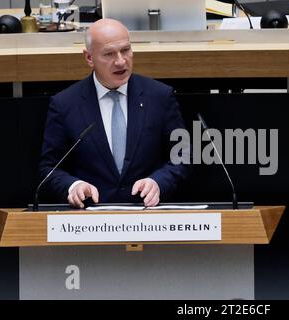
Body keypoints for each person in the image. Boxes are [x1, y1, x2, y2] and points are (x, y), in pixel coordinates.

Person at [39, 19, 191, 208]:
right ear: (89, 58)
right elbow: (50, 167)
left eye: (125, 50)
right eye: (109, 54)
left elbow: (183, 155)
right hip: (91, 223)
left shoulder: (159, 96)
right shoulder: (65, 104)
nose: (120, 61)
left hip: (149, 218)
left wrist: (158, 183)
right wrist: (73, 186)